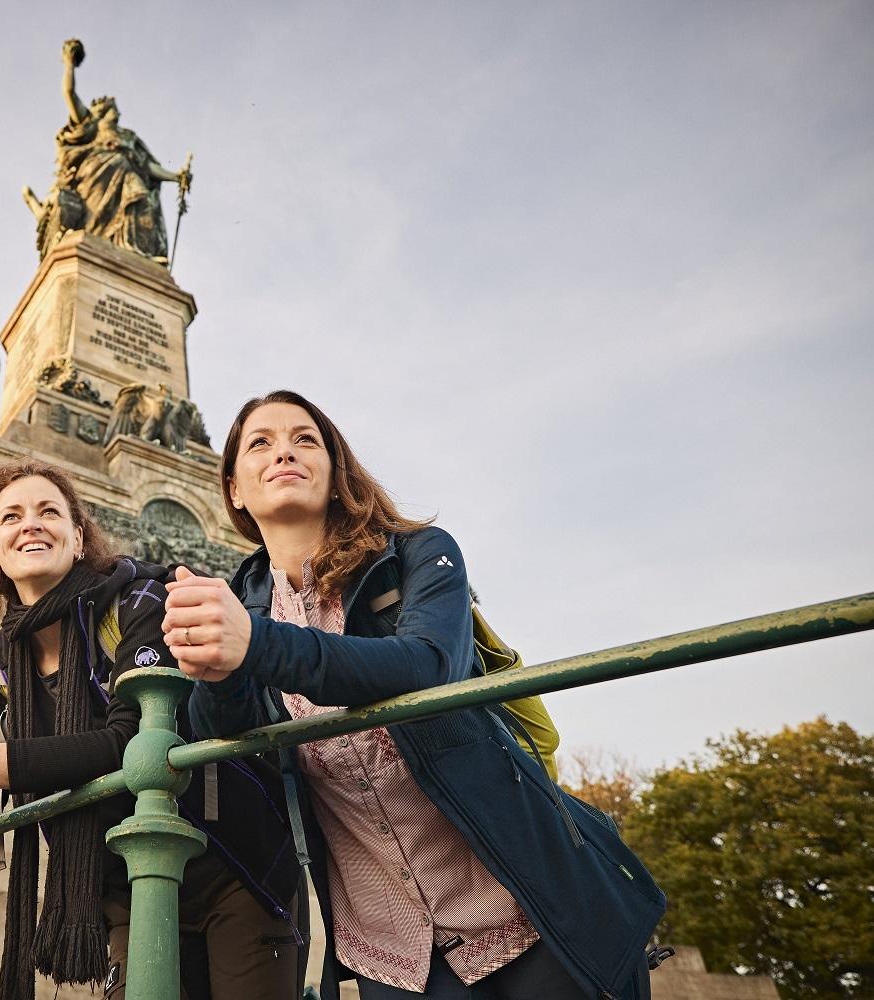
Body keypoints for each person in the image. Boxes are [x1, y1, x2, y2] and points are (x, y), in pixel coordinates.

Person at [164, 391, 666, 1000]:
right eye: (260, 443)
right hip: (394, 953)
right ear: (235, 490)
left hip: (528, 907)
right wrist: (215, 673)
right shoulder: (237, 607)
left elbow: (427, 666)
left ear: (335, 469)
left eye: (305, 439)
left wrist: (256, 645)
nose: (284, 453)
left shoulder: (419, 554)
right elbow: (237, 745)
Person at [0, 459, 301, 1000]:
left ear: (77, 539)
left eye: (49, 511)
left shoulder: (141, 601)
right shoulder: (4, 665)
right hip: (123, 887)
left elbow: (132, 744)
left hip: (232, 870)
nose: (31, 524)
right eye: (11, 517)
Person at [23, 38, 192, 261]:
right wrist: (68, 64)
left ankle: (136, 251)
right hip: (96, 179)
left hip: (127, 178)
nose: (117, 113)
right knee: (100, 217)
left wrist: (175, 176)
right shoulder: (89, 124)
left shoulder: (128, 137)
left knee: (140, 197)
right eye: (113, 109)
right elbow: (69, 93)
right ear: (103, 111)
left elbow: (146, 166)